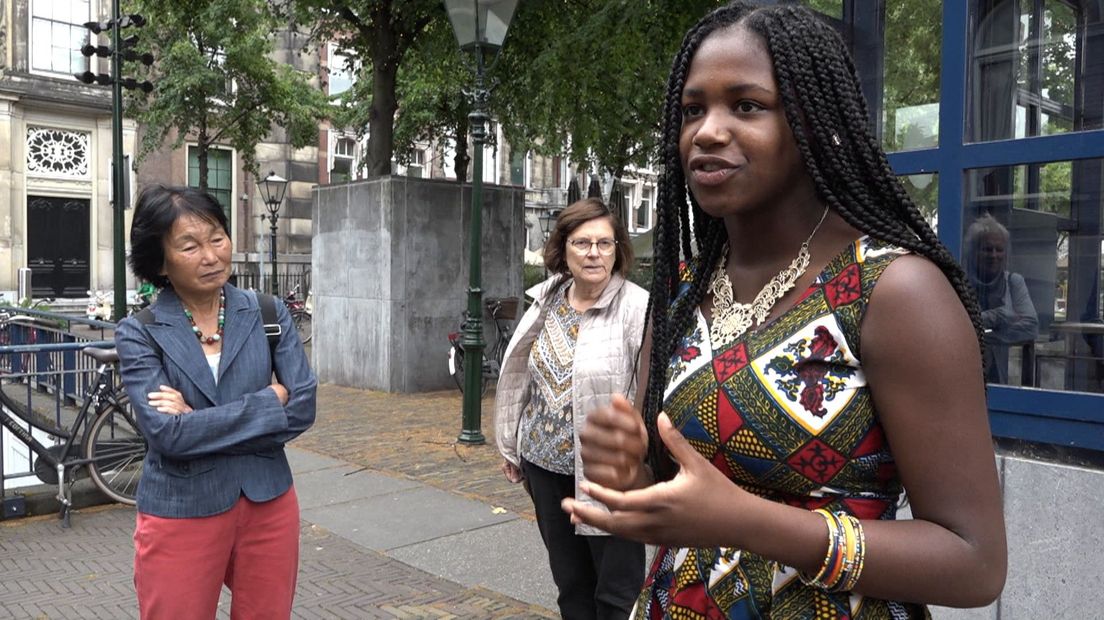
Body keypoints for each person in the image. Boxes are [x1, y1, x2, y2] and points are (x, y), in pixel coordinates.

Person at [561, 3, 1007, 618]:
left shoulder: (894, 290)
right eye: (693, 109)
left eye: (746, 105)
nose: (708, 131)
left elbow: (974, 563)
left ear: (813, 122)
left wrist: (750, 523)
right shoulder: (686, 291)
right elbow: (679, 501)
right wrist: (631, 479)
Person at [115, 185, 317, 619]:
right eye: (189, 245)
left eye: (217, 238)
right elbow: (167, 435)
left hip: (268, 501)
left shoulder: (268, 313)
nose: (210, 256)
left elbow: (302, 405)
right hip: (181, 506)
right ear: (160, 261)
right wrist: (268, 402)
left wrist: (197, 422)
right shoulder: (140, 332)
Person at [495, 197, 649, 620]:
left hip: (608, 477)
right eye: (582, 243)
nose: (594, 253)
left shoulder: (637, 308)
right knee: (571, 586)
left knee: (616, 595)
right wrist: (512, 445)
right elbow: (521, 376)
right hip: (544, 469)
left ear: (619, 249)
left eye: (605, 243)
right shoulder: (549, 298)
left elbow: (652, 394)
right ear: (563, 249)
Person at [964, 214, 1039, 384]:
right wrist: (1000, 316)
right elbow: (955, 325)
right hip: (963, 377)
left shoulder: (1014, 282)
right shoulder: (960, 282)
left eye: (999, 249)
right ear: (974, 252)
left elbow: (1031, 327)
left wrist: (979, 332)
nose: (994, 255)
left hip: (1000, 382)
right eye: (987, 249)